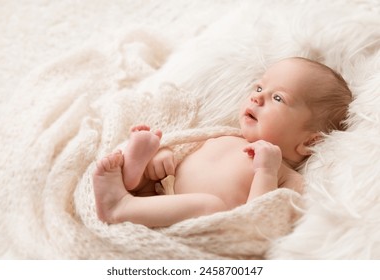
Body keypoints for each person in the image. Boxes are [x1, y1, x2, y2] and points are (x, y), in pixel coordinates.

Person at [93, 57, 352, 227]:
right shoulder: (226, 136)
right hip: (163, 191)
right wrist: (164, 157)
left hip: (199, 217)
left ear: (309, 141)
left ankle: (120, 206)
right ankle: (134, 178)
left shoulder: (286, 177)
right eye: (259, 88)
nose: (257, 98)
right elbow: (188, 150)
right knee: (154, 168)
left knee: (211, 205)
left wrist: (266, 171)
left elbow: (259, 221)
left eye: (278, 98)